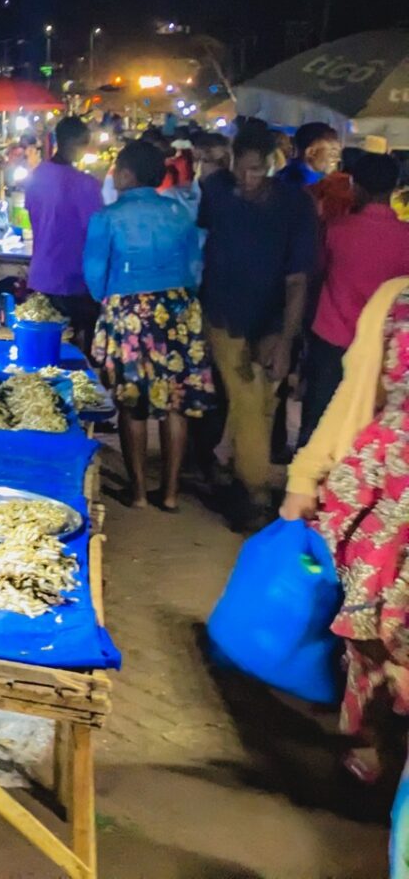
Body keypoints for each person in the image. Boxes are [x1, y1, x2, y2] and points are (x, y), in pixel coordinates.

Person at [279, 276, 409, 785]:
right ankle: (374, 741)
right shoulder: (395, 299)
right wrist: (304, 475)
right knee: (374, 628)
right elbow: (354, 395)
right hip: (392, 491)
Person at [83, 141, 214, 510]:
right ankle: (170, 494)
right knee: (176, 402)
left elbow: (94, 276)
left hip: (130, 312)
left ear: (125, 174)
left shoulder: (107, 217)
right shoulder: (181, 212)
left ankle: (138, 492)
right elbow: (194, 268)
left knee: (132, 403)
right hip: (178, 310)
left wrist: (117, 301)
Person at [199, 125, 318, 529]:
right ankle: (257, 494)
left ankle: (233, 466)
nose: (250, 179)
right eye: (242, 170)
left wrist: (285, 339)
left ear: (272, 164)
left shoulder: (295, 205)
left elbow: (298, 279)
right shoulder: (217, 190)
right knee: (250, 403)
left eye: (257, 170)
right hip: (224, 316)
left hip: (272, 321)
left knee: (263, 404)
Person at [300, 153, 409, 447]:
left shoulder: (336, 231)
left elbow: (315, 274)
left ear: (355, 186)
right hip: (382, 344)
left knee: (319, 418)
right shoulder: (405, 237)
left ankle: (305, 485)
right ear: (396, 187)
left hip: (333, 336)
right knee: (369, 424)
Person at [24, 117, 105, 347]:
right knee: (77, 351)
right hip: (73, 279)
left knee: (44, 347)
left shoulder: (37, 176)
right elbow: (96, 231)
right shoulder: (85, 184)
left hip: (41, 274)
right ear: (77, 143)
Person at [279, 121, 342, 190]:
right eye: (333, 153)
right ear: (311, 152)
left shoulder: (284, 174)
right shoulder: (305, 185)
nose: (338, 159)